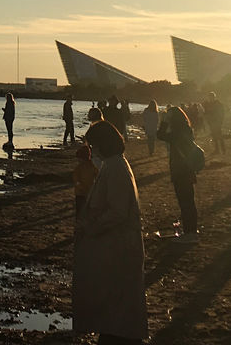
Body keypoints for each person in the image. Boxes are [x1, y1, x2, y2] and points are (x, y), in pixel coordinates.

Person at [73, 119, 147, 344]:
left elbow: (117, 212)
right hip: (115, 245)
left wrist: (90, 227)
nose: (92, 150)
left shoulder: (115, 168)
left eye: (94, 145)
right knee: (115, 305)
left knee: (117, 304)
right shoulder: (113, 164)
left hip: (118, 247)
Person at [156, 105, 200, 242]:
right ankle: (191, 230)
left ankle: (190, 234)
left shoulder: (177, 133)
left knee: (185, 202)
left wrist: (164, 121)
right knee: (189, 201)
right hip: (187, 170)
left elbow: (160, 135)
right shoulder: (186, 129)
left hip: (181, 171)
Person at [72, 144, 97, 216]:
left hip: (87, 192)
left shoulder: (91, 166)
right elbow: (76, 180)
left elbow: (97, 175)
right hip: (81, 193)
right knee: (80, 210)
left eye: (80, 158)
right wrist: (80, 186)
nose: (79, 160)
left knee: (86, 210)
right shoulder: (79, 168)